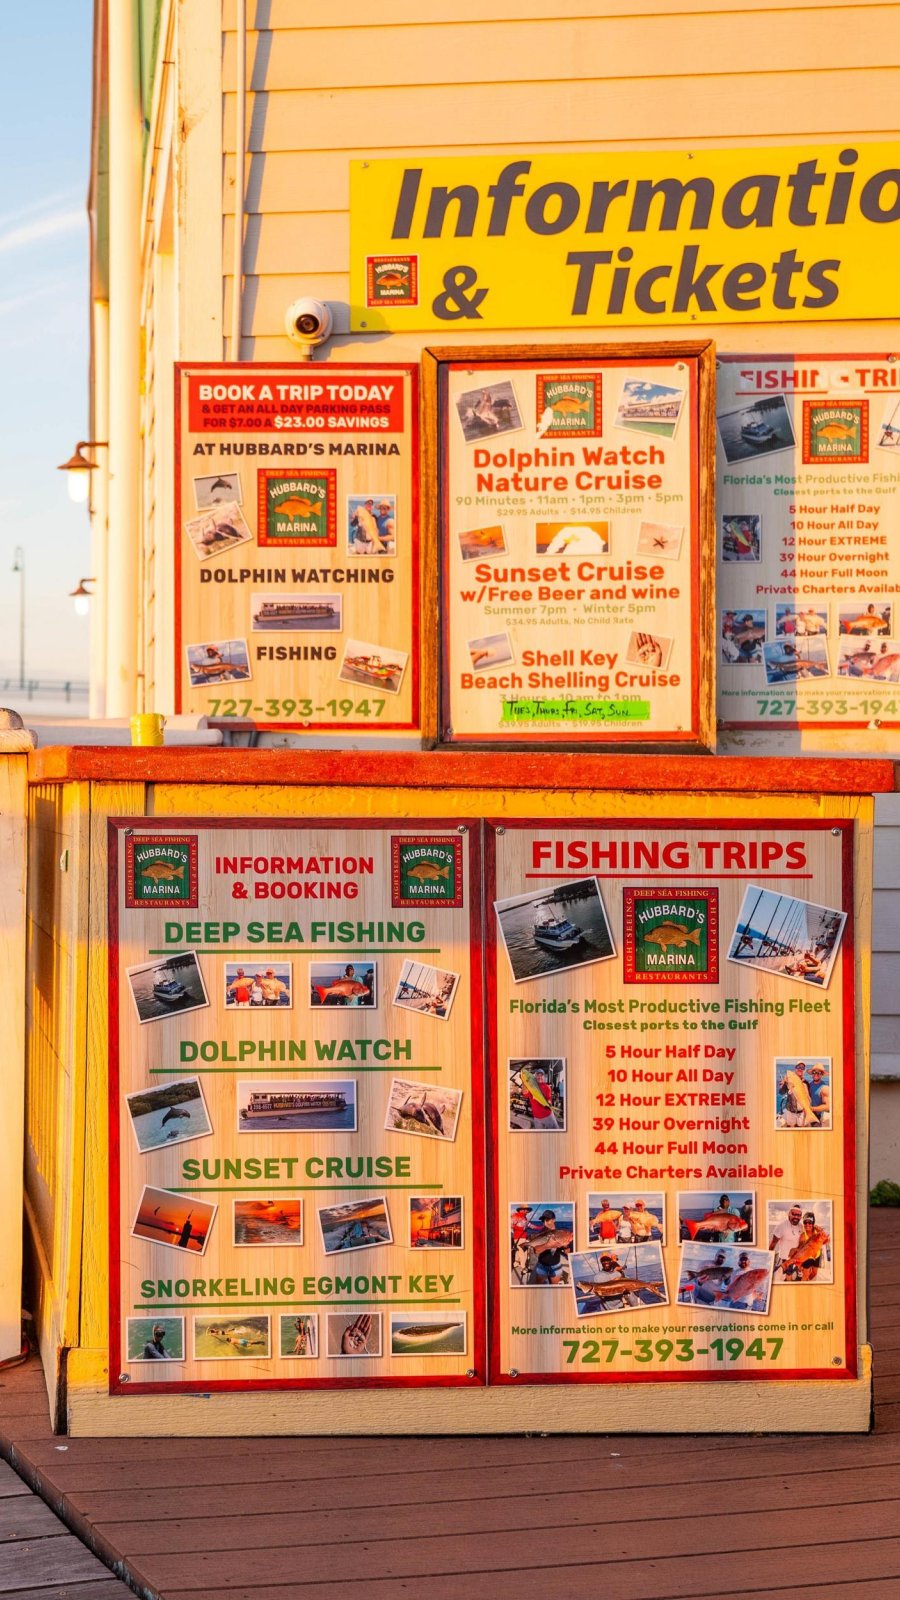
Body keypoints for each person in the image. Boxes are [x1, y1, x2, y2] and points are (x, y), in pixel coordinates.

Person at [526, 1209, 570, 1286]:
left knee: (554, 1286)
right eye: (543, 1220)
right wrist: (547, 1245)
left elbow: (566, 1250)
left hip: (556, 1265)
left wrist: (566, 1247)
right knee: (539, 1286)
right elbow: (536, 1251)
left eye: (547, 1220)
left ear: (554, 1220)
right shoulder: (541, 1233)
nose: (545, 1222)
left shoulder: (560, 1232)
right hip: (542, 1265)